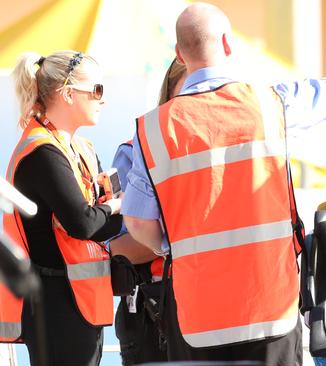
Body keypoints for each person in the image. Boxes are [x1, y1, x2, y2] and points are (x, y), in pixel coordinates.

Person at [122, 2, 326, 364]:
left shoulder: (153, 129)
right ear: (228, 43)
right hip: (269, 309)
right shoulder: (270, 104)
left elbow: (137, 223)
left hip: (199, 317)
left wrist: (171, 246)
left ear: (179, 53)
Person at [2, 51, 122, 365]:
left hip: (81, 301)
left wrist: (106, 212)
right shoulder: (42, 151)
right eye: (97, 90)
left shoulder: (80, 148)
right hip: (55, 305)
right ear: (68, 94)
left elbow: (98, 224)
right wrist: (118, 206)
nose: (103, 99)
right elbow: (83, 224)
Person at [110, 58, 187, 366]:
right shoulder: (133, 151)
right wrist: (179, 239)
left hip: (215, 309)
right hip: (153, 310)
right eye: (189, 93)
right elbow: (118, 248)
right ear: (168, 94)